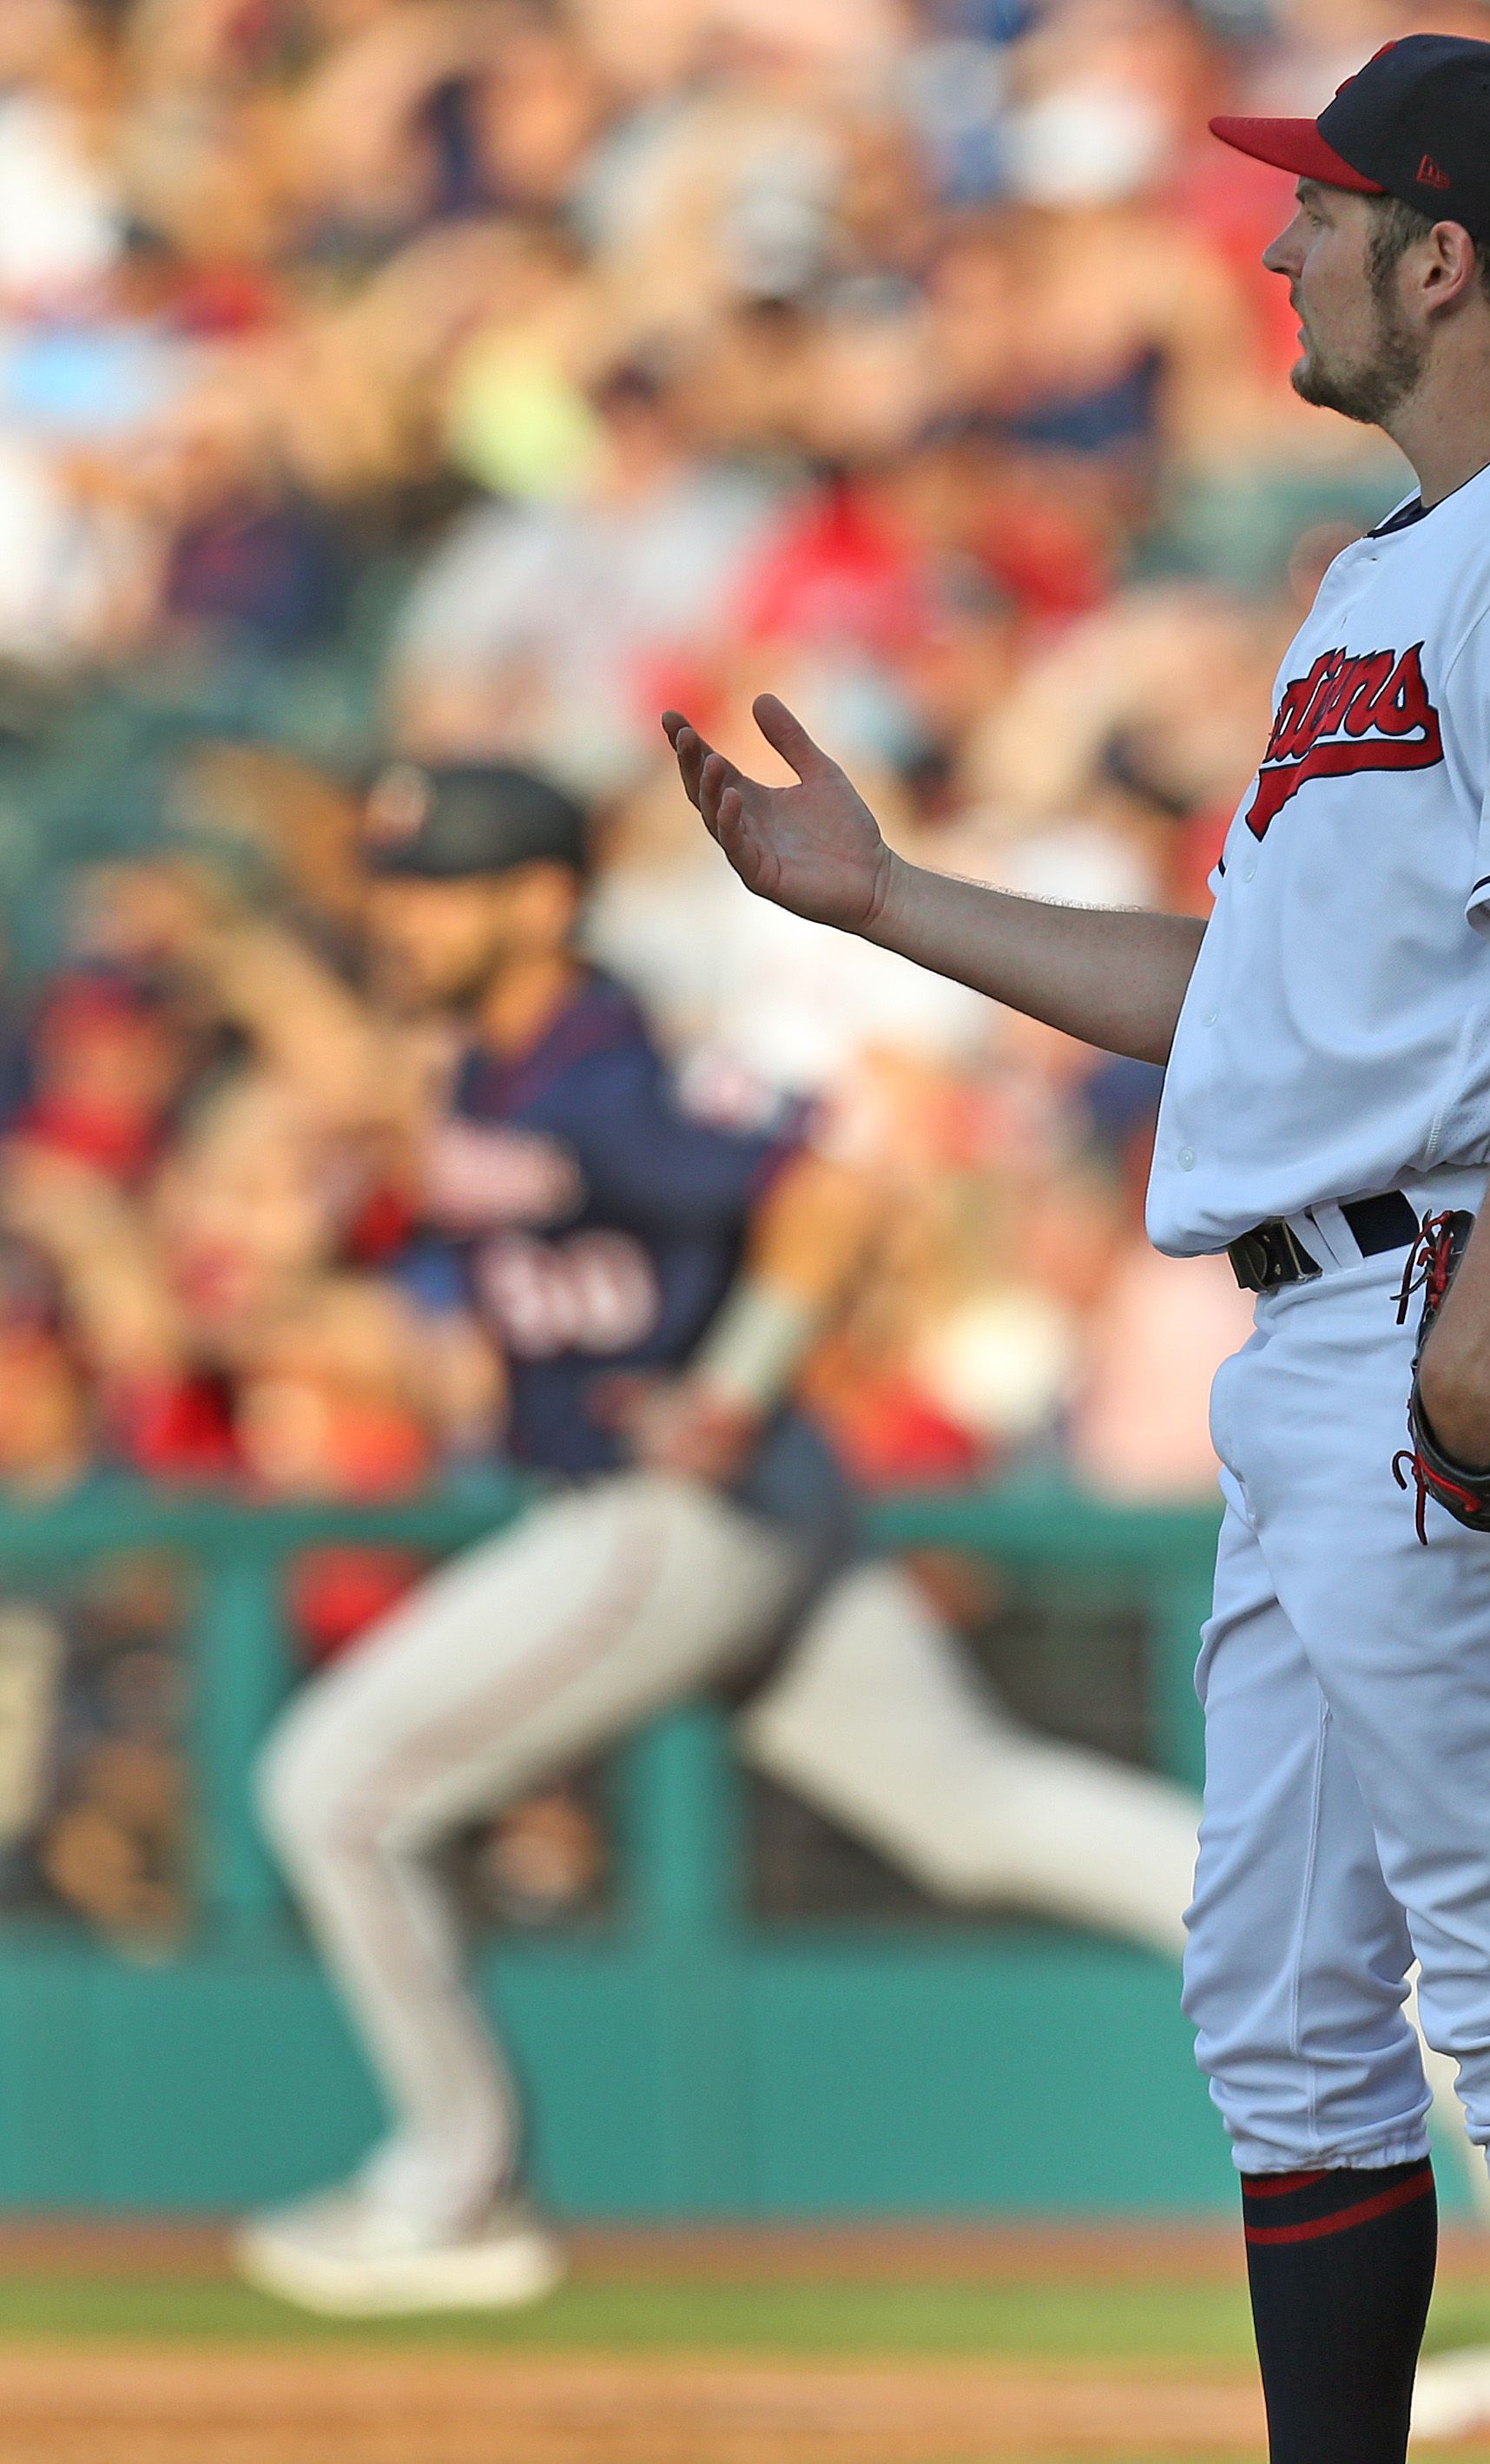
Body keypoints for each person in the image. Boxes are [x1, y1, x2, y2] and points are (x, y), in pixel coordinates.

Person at [664, 36, 1490, 2463]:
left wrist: (1484, 1347)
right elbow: (1252, 1002)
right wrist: (887, 901)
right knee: (1278, 1996)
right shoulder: (1395, 563)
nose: (1280, 245)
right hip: (1334, 1308)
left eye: (1326, 211)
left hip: (1473, 1287)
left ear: (1443, 253)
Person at [235, 762, 1208, 2316]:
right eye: (392, 884)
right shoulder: (492, 1070)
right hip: (716, 1503)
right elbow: (529, 1291)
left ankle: (455, 2176)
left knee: (330, 1785)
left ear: (541, 900)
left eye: (434, 887)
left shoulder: (611, 1065)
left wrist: (740, 1382)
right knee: (974, 1810)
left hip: (679, 1506)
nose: (398, 916)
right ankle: (1356, 1947)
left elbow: (833, 1188)